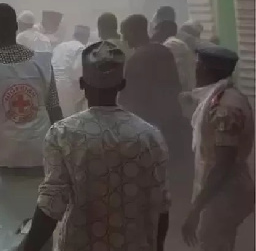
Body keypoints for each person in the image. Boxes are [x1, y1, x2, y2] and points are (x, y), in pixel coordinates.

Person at [21, 41, 170, 251]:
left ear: (82, 83)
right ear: (122, 84)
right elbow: (161, 205)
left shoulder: (63, 134)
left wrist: (28, 248)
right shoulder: (150, 136)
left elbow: (52, 203)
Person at [0, 3, 62, 171]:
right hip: (42, 151)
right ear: (17, 27)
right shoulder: (44, 63)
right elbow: (54, 109)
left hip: (7, 155)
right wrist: (62, 149)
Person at [179, 45, 254, 251]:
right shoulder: (223, 97)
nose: (194, 71)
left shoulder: (224, 107)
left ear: (205, 69)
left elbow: (223, 164)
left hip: (223, 192)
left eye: (197, 66)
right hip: (223, 190)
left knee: (212, 243)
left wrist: (196, 209)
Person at [118, 14, 188, 161]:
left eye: (126, 34)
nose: (124, 39)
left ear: (134, 32)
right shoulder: (164, 51)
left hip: (150, 124)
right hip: (172, 119)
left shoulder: (136, 59)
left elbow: (129, 98)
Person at [51, 25, 91, 117]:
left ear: (74, 35)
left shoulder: (60, 46)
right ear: (86, 38)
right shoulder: (81, 48)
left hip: (51, 85)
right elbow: (77, 73)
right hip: (66, 88)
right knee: (67, 119)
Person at [152, 20, 195, 91]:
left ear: (164, 31)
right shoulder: (176, 43)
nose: (154, 35)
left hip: (181, 91)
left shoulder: (171, 45)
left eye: (156, 31)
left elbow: (177, 73)